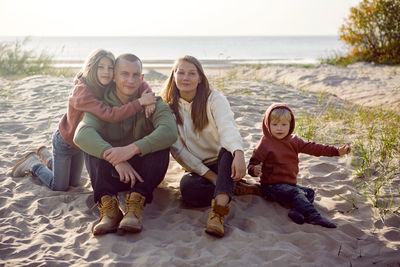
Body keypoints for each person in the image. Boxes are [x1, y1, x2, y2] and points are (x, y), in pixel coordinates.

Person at [10, 48, 156, 191]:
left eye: (110, 68)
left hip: (82, 145)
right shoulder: (82, 92)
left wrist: (148, 95)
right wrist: (139, 103)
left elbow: (137, 80)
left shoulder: (107, 82)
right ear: (92, 68)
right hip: (65, 142)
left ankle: (48, 158)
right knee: (59, 186)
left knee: (74, 183)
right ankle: (34, 164)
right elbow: (110, 114)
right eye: (101, 67)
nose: (106, 71)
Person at [73, 53, 177, 236]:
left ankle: (135, 206)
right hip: (112, 173)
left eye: (135, 75)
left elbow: (170, 132)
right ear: (114, 77)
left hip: (143, 176)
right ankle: (109, 209)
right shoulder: (102, 106)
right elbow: (81, 134)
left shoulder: (153, 103)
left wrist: (131, 150)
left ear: (142, 78)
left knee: (160, 144)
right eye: (124, 74)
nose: (130, 80)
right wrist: (116, 158)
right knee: (93, 145)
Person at [161, 55, 253, 238]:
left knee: (228, 149)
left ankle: (218, 212)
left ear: (200, 77)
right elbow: (178, 151)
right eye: (181, 73)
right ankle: (230, 186)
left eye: (191, 73)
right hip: (199, 167)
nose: (186, 78)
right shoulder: (167, 106)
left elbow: (228, 129)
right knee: (188, 190)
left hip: (224, 160)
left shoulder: (214, 99)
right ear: (173, 75)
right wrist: (211, 177)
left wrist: (239, 153)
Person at [247, 103, 351, 228]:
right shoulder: (265, 143)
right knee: (297, 193)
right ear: (267, 124)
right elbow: (253, 163)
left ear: (290, 125)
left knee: (309, 193)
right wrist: (254, 170)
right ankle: (314, 217)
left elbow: (314, 148)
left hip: (290, 185)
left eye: (284, 124)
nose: (279, 128)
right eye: (275, 124)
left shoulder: (294, 141)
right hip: (271, 186)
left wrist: (336, 151)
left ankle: (296, 212)